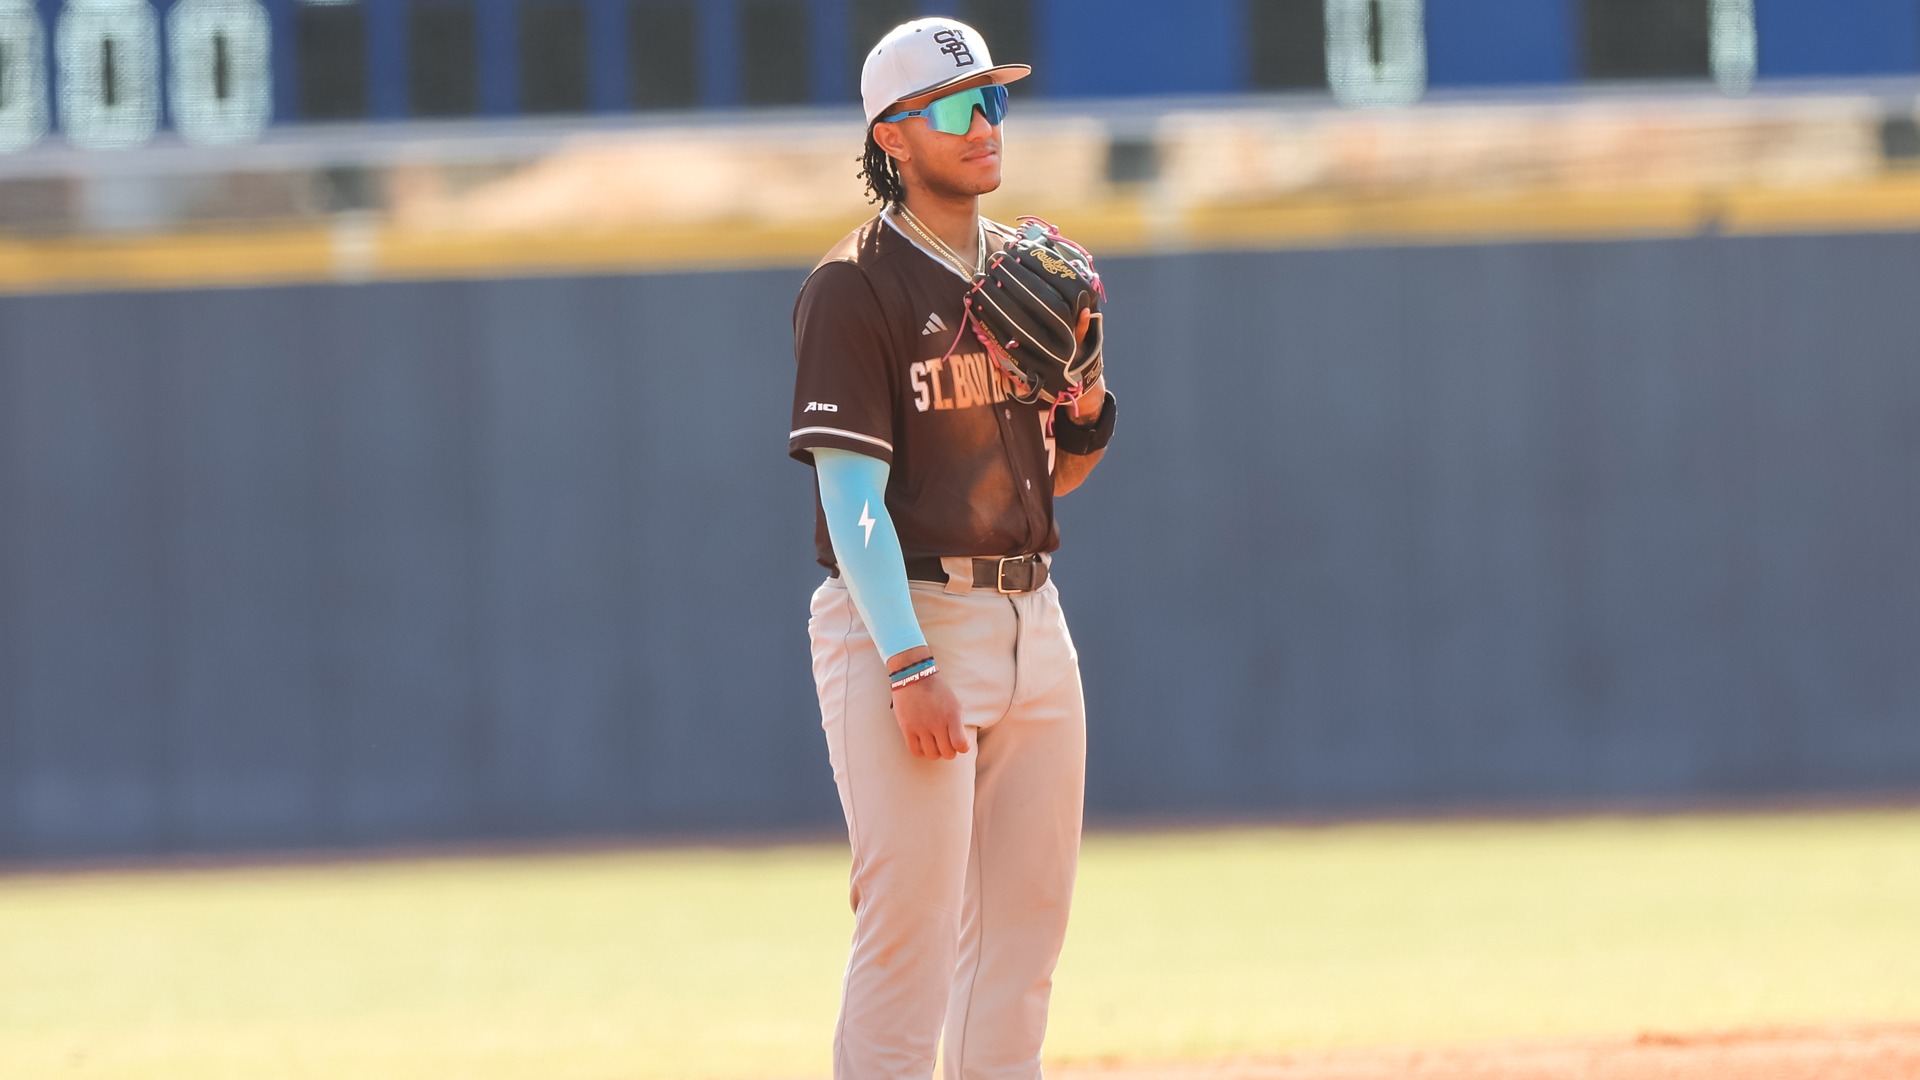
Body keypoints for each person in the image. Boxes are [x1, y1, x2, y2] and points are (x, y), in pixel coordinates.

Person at [786, 16, 1117, 1080]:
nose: (986, 123)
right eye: (957, 105)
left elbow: (1053, 476)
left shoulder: (1022, 273)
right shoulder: (857, 285)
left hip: (1032, 614)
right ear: (893, 138)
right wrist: (907, 659)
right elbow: (854, 499)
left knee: (1023, 939)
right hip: (907, 616)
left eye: (995, 99)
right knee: (909, 939)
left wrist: (1090, 398)